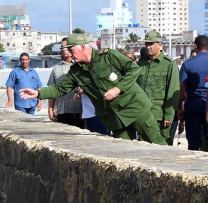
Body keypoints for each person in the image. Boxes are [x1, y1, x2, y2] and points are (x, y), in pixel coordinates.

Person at [19, 32, 167, 145]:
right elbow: (60, 89)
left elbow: (133, 69)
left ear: (83, 47)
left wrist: (117, 89)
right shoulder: (76, 71)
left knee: (157, 144)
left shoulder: (108, 57)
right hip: (114, 118)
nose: (69, 54)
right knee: (126, 153)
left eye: (71, 50)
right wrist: (38, 93)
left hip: (135, 108)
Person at [137, 30, 180, 145]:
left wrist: (169, 116)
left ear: (160, 44)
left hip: (160, 117)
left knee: (162, 148)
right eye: (146, 44)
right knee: (143, 148)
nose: (148, 47)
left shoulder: (169, 65)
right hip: (143, 115)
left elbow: (173, 92)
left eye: (151, 44)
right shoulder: (141, 63)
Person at [177, 35, 208, 150]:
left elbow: (181, 88)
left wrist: (179, 107)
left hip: (192, 107)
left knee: (193, 142)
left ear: (195, 46)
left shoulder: (188, 64)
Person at [47, 37, 83, 127]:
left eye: (66, 47)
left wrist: (84, 110)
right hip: (61, 111)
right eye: (62, 47)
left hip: (77, 110)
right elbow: (52, 90)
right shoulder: (56, 68)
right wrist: (50, 109)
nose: (64, 49)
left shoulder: (79, 66)